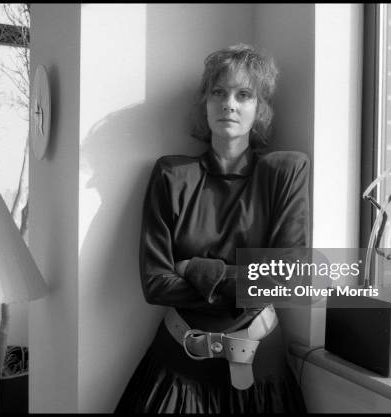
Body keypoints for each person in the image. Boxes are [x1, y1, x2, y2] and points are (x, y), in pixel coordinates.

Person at [115, 43, 309, 414]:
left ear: (261, 108)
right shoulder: (172, 175)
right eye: (218, 92)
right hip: (175, 370)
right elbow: (155, 284)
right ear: (205, 103)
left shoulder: (286, 171)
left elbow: (284, 280)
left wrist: (194, 269)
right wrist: (246, 279)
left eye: (244, 94)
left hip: (262, 375)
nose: (229, 104)